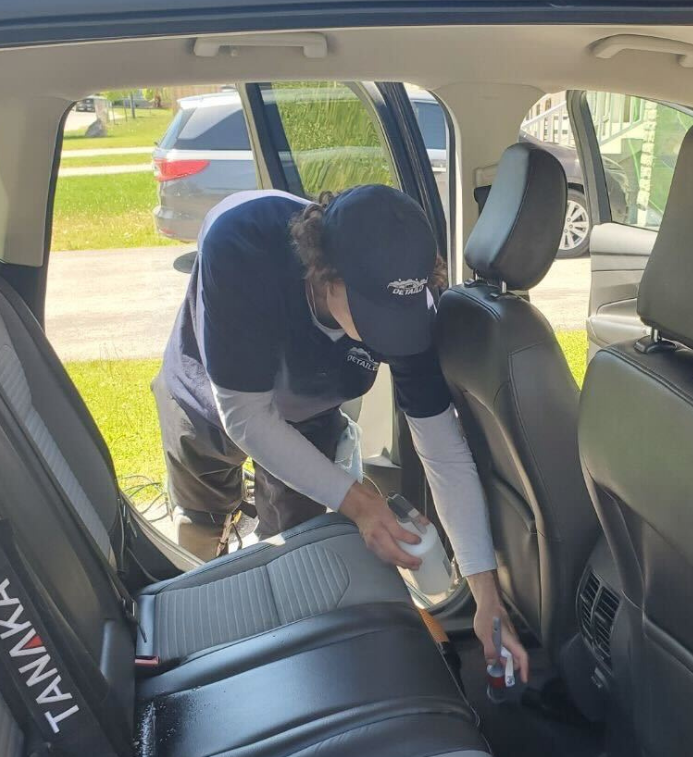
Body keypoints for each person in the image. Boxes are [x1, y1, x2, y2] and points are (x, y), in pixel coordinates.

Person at [152, 185, 528, 678]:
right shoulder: (242, 244)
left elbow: (443, 451)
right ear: (323, 272)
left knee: (293, 556)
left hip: (309, 411)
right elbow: (243, 415)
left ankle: (279, 667)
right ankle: (198, 660)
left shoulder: (412, 300)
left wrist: (485, 595)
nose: (386, 335)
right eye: (373, 315)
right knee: (203, 524)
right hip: (207, 397)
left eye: (400, 319)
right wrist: (358, 502)